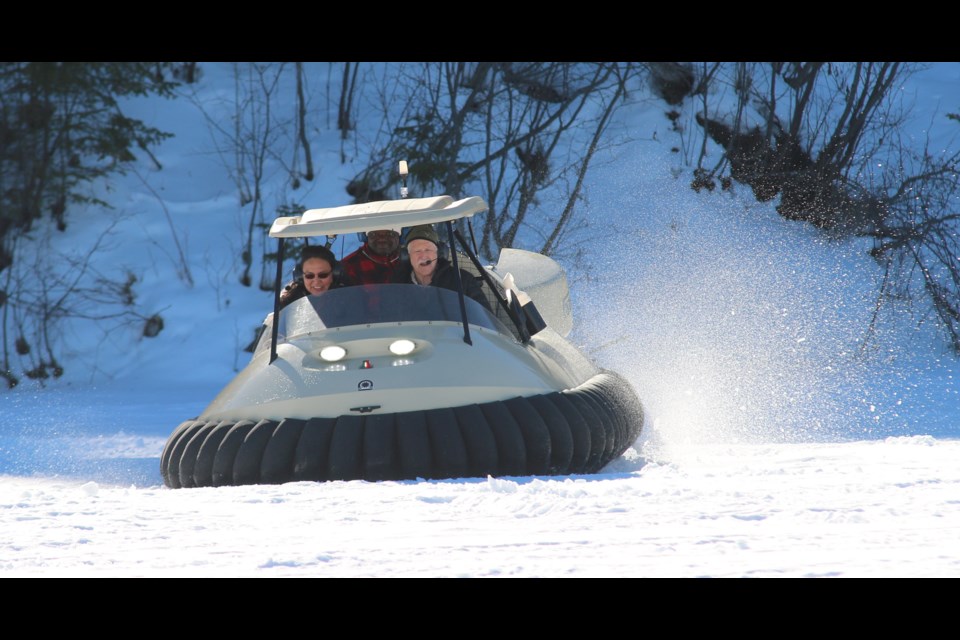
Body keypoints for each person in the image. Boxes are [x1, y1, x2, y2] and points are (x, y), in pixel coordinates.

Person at [392, 224, 491, 311]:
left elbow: (486, 320)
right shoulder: (397, 285)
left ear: (438, 253)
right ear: (406, 256)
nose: (423, 256)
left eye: (428, 249)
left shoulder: (463, 281)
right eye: (417, 251)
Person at [279, 244, 346, 310]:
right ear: (300, 276)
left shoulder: (349, 299)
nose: (316, 282)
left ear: (334, 274)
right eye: (309, 276)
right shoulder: (288, 305)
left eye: (323, 275)